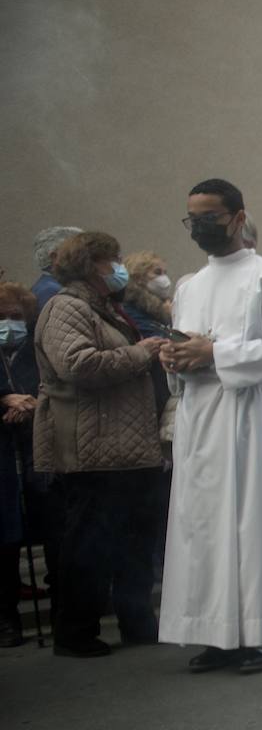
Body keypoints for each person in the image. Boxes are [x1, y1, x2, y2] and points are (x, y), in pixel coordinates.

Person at [156, 179, 262, 673]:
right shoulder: (188, 286)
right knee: (201, 525)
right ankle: (216, 632)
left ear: (238, 218)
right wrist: (174, 357)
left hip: (244, 413)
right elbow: (186, 348)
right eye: (192, 218)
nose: (199, 226)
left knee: (249, 519)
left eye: (209, 217)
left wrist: (217, 352)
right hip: (200, 413)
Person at [32, 232, 168, 657]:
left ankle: (137, 622)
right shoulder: (66, 308)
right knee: (89, 542)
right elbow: (77, 365)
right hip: (93, 448)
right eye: (113, 260)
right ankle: (76, 632)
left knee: (132, 539)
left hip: (124, 447)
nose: (120, 266)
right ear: (92, 265)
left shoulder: (107, 308)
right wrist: (141, 353)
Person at [0, 283, 42, 647]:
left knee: (12, 539)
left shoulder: (31, 351)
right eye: (3, 317)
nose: (10, 324)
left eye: (16, 318)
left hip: (27, 451)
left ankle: (10, 612)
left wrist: (26, 404)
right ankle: (5, 618)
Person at [121, 252, 174, 339]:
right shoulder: (131, 306)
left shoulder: (163, 304)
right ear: (138, 277)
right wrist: (173, 318)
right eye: (157, 272)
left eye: (165, 273)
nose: (164, 278)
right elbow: (155, 339)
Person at [31, 227, 81, 311]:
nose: (85, 257)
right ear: (55, 257)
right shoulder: (50, 291)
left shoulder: (51, 285)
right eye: (78, 252)